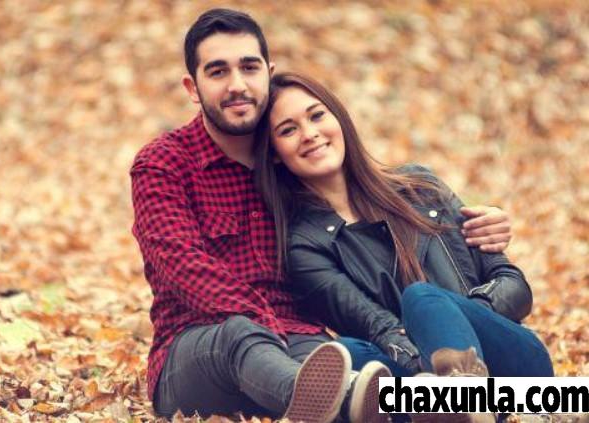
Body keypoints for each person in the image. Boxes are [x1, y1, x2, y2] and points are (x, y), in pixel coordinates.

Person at [131, 8, 514, 422]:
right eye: (218, 71)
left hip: (303, 348)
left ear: (267, 73)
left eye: (249, 67)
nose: (237, 84)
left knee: (358, 362)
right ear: (193, 87)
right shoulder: (164, 164)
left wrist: (474, 222)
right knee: (244, 334)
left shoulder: (291, 160)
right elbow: (181, 264)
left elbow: (361, 214)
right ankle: (342, 401)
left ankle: (454, 406)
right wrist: (266, 325)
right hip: (199, 352)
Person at [253, 72, 554, 422]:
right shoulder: (305, 247)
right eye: (288, 130)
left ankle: (459, 398)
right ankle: (451, 406)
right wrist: (429, 373)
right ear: (275, 154)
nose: (309, 133)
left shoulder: (421, 187)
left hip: (516, 374)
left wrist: (457, 317)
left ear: (339, 119)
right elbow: (378, 327)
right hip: (415, 377)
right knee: (347, 355)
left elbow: (515, 286)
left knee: (422, 299)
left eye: (317, 115)